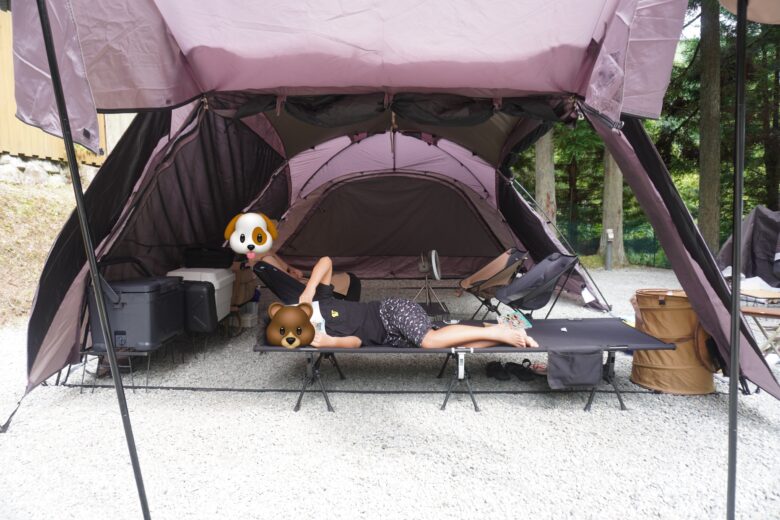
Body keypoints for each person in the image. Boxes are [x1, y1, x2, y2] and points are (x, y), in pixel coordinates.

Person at [297, 256, 538, 349]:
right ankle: (504, 333)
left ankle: (498, 330)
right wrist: (331, 342)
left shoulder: (320, 302)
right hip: (390, 336)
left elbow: (326, 261)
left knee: (430, 341)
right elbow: (356, 341)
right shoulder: (319, 333)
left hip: (389, 312)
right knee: (451, 344)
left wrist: (309, 291)